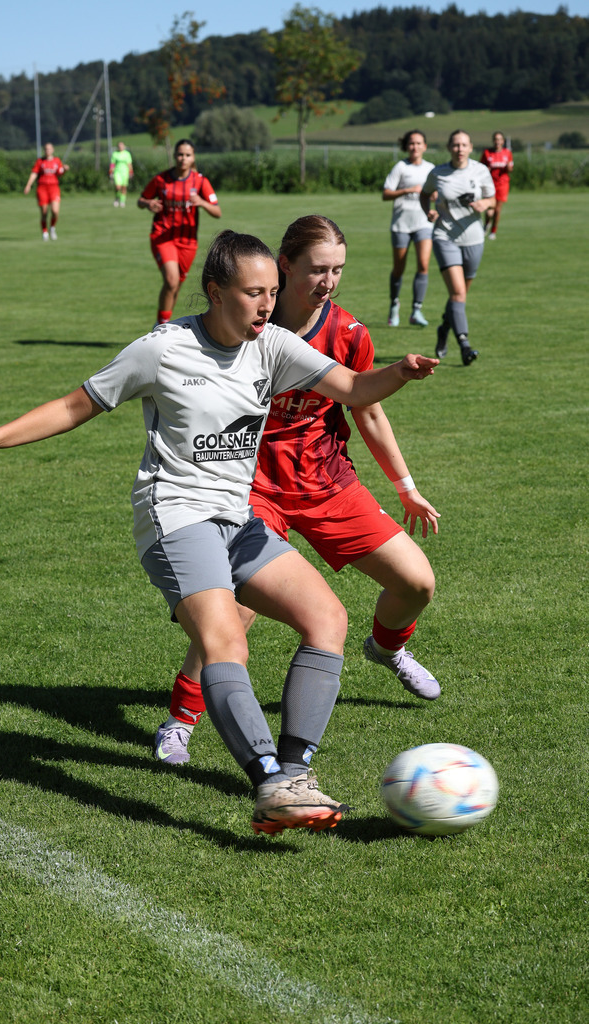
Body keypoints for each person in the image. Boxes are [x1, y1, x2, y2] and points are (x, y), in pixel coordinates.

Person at [0, 229, 437, 836]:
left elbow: (356, 389)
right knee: (228, 640)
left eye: (272, 292)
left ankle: (294, 772)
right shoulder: (163, 348)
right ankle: (268, 783)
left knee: (327, 620)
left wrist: (402, 372)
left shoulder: (274, 345)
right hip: (175, 517)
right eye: (254, 292)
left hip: (237, 519)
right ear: (215, 292)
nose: (266, 304)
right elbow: (77, 405)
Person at [155, 215, 442, 768]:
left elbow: (366, 407)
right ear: (285, 266)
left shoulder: (350, 334)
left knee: (417, 582)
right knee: (236, 613)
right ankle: (180, 722)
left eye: (337, 270)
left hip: (325, 480)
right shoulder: (243, 321)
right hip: (254, 484)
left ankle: (386, 648)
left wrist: (406, 487)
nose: (328, 281)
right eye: (317, 269)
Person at [420, 130, 495, 366]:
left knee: (459, 295)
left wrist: (485, 203)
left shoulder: (480, 171)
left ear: (470, 147)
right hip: (445, 237)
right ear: (449, 148)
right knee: (458, 293)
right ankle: (464, 344)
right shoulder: (438, 173)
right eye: (455, 145)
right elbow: (424, 195)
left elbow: (492, 199)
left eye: (463, 145)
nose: (459, 149)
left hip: (474, 239)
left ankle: (444, 328)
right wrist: (428, 212)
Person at [138, 139, 221, 326]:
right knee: (171, 279)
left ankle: (164, 322)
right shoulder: (161, 180)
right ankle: (160, 325)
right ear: (175, 156)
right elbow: (141, 199)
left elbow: (217, 212)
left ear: (193, 158)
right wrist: (148, 204)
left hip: (188, 242)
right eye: (180, 154)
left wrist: (202, 202)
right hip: (163, 236)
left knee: (175, 285)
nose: (183, 158)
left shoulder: (200, 181)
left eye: (188, 155)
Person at [382, 130, 435, 327]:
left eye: (419, 143)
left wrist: (435, 198)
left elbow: (437, 192)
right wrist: (408, 190)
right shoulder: (401, 167)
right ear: (407, 146)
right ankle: (394, 305)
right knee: (399, 268)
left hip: (423, 223)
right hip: (401, 224)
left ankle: (416, 310)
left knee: (423, 264)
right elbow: (386, 193)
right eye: (411, 143)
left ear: (425, 146)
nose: (415, 146)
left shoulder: (431, 169)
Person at [24, 143, 69, 241]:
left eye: (49, 149)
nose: (47, 151)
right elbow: (34, 173)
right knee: (44, 212)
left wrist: (64, 169)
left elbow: (60, 173)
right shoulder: (40, 161)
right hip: (42, 188)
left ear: (53, 150)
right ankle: (45, 232)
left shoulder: (57, 161)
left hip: (54, 188)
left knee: (55, 211)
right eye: (46, 149)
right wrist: (28, 185)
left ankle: (52, 228)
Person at [479, 131, 514, 240]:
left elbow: (511, 169)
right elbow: (480, 168)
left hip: (502, 184)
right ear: (493, 141)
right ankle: (487, 224)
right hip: (489, 184)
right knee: (489, 210)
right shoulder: (487, 153)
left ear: (503, 141)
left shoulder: (507, 153)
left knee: (497, 209)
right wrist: (486, 170)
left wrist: (508, 167)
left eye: (500, 139)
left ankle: (493, 231)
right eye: (496, 139)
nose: (497, 142)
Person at [110, 141, 133, 208]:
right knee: (118, 187)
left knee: (124, 187)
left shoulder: (127, 154)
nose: (121, 147)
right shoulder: (115, 154)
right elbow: (112, 164)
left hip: (125, 172)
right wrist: (111, 172)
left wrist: (131, 172)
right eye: (119, 146)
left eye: (122, 146)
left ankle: (122, 201)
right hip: (117, 172)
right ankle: (117, 198)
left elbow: (129, 164)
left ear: (124, 146)